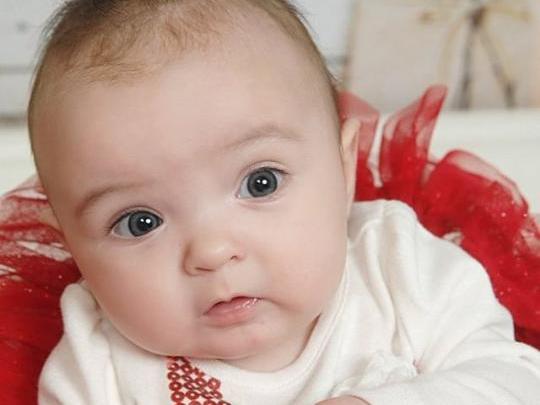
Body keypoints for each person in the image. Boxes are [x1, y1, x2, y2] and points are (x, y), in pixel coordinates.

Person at [25, 0, 539, 404]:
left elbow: (515, 379)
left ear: (343, 169)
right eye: (140, 222)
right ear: (72, 244)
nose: (212, 251)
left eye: (261, 183)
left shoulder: (398, 267)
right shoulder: (98, 366)